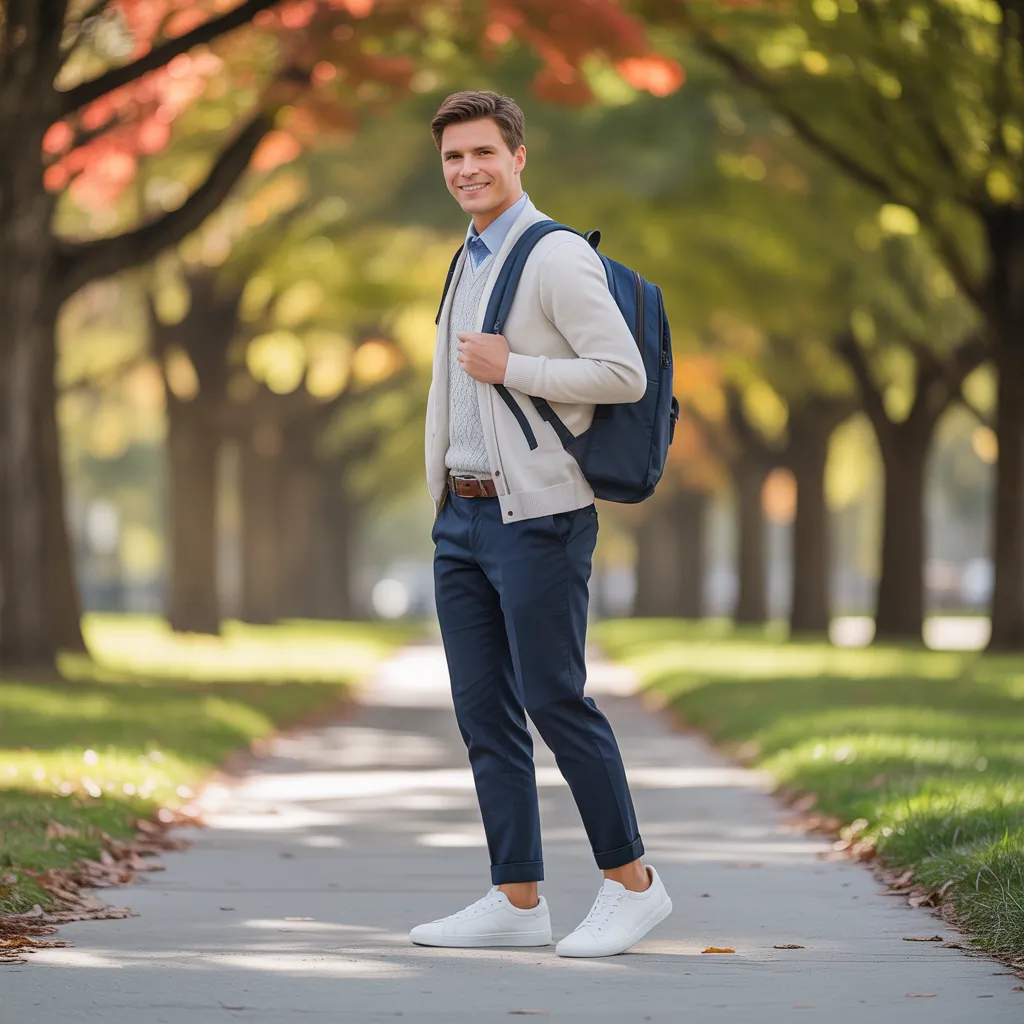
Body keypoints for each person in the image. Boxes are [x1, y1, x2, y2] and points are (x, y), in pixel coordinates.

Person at [410, 90, 672, 958]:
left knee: (555, 698)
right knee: (484, 712)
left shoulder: (553, 255)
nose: (468, 170)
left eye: (482, 152)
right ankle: (517, 900)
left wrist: (514, 365)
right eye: (453, 158)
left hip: (539, 517)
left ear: (519, 156)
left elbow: (623, 373)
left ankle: (632, 882)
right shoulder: (465, 258)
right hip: (463, 519)